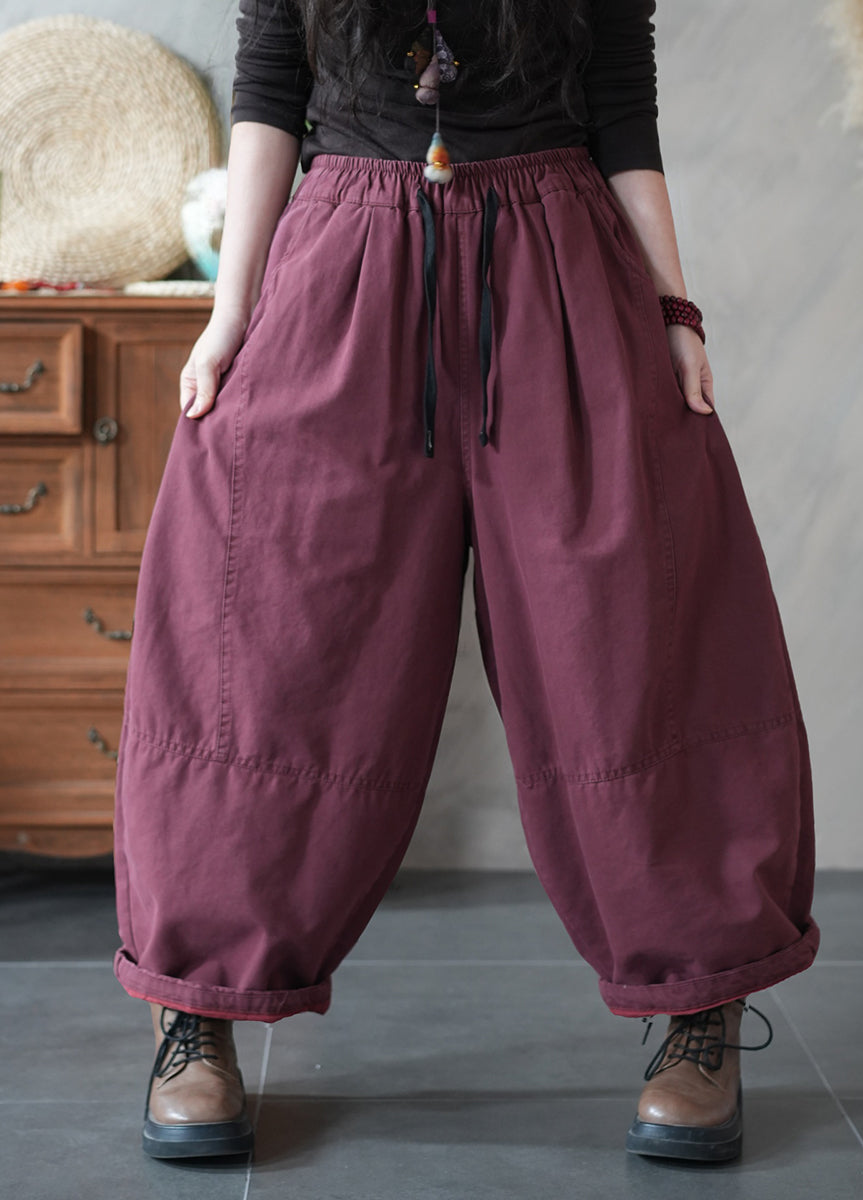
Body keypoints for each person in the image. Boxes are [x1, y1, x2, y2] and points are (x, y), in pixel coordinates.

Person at [112, 0, 819, 1165]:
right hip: (342, 260)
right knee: (267, 642)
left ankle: (701, 1008)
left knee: (630, 639)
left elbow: (621, 106)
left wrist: (675, 312)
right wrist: (230, 316)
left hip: (561, 264)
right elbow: (270, 90)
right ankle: (199, 1009)